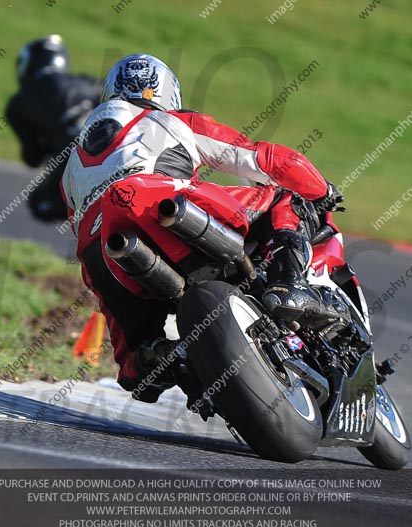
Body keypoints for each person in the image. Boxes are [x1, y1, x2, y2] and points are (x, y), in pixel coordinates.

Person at [62, 54, 343, 403]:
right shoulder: (173, 119)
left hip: (101, 251)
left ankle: (159, 357)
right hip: (164, 203)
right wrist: (322, 190)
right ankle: (289, 284)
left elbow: (77, 221)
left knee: (135, 360)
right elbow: (263, 159)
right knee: (285, 197)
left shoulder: (71, 162)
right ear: (167, 92)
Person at [5, 35, 101, 221]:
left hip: (77, 163)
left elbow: (32, 158)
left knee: (39, 205)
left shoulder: (18, 103)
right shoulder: (88, 82)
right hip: (118, 153)